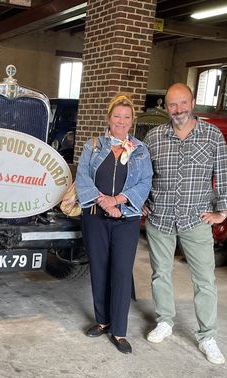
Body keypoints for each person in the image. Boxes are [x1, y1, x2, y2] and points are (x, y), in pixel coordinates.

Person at [142, 83, 227, 365]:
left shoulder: (211, 135)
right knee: (160, 273)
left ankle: (207, 336)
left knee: (205, 280)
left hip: (196, 218)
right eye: (172, 105)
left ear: (192, 102)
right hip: (160, 216)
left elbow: (226, 172)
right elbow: (144, 173)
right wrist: (143, 200)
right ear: (166, 107)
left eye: (183, 103)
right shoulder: (155, 137)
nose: (178, 110)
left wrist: (223, 211)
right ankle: (165, 322)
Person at [75, 94, 153, 354]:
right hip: (96, 215)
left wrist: (119, 202)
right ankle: (102, 320)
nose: (121, 121)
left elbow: (145, 182)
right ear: (109, 118)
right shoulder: (94, 145)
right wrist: (104, 202)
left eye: (127, 117)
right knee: (98, 269)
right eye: (117, 116)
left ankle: (119, 330)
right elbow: (83, 175)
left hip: (126, 219)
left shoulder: (140, 150)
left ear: (132, 121)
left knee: (121, 272)